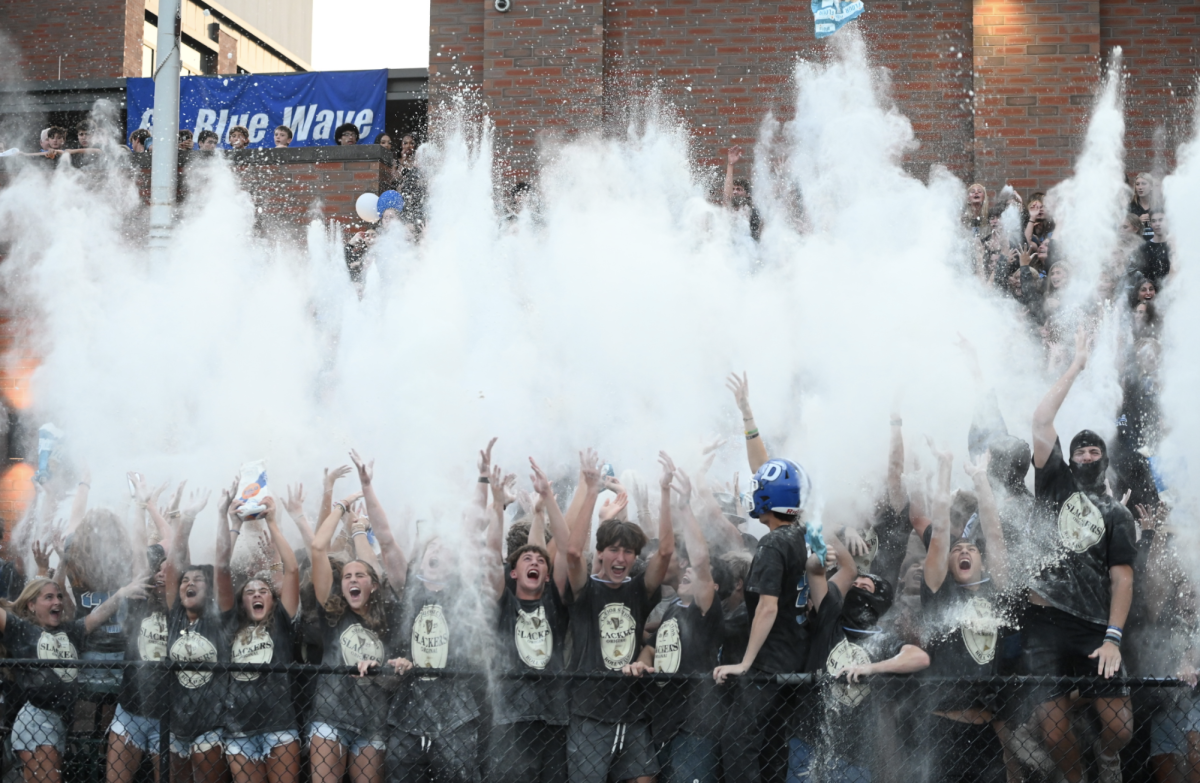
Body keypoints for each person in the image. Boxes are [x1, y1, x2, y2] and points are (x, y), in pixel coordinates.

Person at [1027, 326, 1137, 783]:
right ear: (1069, 460)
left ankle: (1107, 757)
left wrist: (1112, 637)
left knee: (1120, 728)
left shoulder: (1116, 514)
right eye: (1080, 448)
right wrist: (1076, 365)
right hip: (1047, 621)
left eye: (1095, 448)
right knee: (1053, 734)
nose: (1087, 452)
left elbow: (1123, 579)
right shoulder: (1054, 484)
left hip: (1095, 626)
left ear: (1104, 461)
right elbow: (1039, 421)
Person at [563, 448, 675, 783]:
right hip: (590, 714)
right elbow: (571, 551)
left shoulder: (639, 589)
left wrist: (666, 491)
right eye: (613, 549)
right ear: (601, 552)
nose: (620, 557)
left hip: (632, 710)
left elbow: (666, 551)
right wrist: (591, 490)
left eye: (627, 551)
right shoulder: (586, 589)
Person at [796, 523, 927, 781]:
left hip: (853, 751)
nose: (856, 587)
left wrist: (870, 668)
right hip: (805, 739)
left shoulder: (883, 640)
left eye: (865, 588)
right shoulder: (829, 619)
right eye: (852, 586)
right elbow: (825, 572)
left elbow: (919, 657)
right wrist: (833, 529)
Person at [625, 469, 726, 783]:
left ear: (713, 587)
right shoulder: (672, 608)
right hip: (663, 721)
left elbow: (700, 562)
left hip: (695, 725)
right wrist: (640, 665)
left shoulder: (705, 611)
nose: (686, 574)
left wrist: (683, 508)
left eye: (693, 575)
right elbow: (650, 649)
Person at [3, 572, 150, 783]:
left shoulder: (70, 631)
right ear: (31, 605)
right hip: (36, 720)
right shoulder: (21, 630)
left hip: (60, 722)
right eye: (49, 597)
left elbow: (98, 614)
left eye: (60, 596)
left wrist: (122, 593)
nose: (58, 602)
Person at [920, 447, 1011, 783]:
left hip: (986, 731)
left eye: (970, 548)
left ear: (980, 562)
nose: (962, 551)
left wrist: (980, 477)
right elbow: (940, 531)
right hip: (944, 729)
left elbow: (996, 535)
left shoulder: (995, 594)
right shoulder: (938, 594)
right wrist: (944, 467)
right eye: (957, 551)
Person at [487, 456, 572, 783]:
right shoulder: (504, 603)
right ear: (513, 572)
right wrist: (497, 507)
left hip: (553, 718)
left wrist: (547, 500)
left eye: (540, 560)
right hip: (509, 718)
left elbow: (566, 550)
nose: (534, 561)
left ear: (547, 575)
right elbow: (491, 556)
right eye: (526, 558)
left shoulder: (554, 599)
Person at [306, 481, 396, 783]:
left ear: (372, 585)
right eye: (346, 577)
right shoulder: (333, 612)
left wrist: (360, 530)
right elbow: (318, 547)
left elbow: (373, 565)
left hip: (373, 721)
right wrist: (341, 506)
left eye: (359, 576)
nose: (352, 580)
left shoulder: (386, 618)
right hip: (330, 717)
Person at [219, 494, 302, 783]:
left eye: (263, 591)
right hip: (237, 727)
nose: (256, 594)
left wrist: (273, 523)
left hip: (279, 725)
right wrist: (233, 524)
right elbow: (221, 570)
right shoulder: (230, 625)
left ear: (273, 599)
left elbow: (292, 571)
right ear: (241, 601)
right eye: (250, 592)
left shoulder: (281, 619)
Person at [163, 490, 228, 783]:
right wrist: (187, 518)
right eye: (185, 581)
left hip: (210, 723)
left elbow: (222, 563)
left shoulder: (218, 619)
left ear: (209, 589)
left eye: (197, 580)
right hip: (176, 723)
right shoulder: (175, 615)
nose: (189, 583)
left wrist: (222, 515)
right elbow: (173, 565)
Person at [722, 144, 762, 241]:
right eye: (733, 189)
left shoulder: (753, 211)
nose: (735, 192)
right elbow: (727, 195)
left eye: (739, 189)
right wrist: (730, 165)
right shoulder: (729, 208)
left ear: (747, 194)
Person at [1136, 211, 1170, 284]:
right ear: (1150, 224)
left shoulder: (1172, 245)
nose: (1157, 224)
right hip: (1151, 291)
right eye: (1154, 221)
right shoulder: (1144, 248)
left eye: (1160, 220)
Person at [1129, 173, 1155, 241]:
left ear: (1151, 186)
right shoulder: (1131, 207)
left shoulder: (1158, 206)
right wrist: (1137, 222)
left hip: (1157, 246)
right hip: (1137, 245)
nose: (1140, 187)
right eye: (1137, 184)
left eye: (1144, 183)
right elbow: (1125, 231)